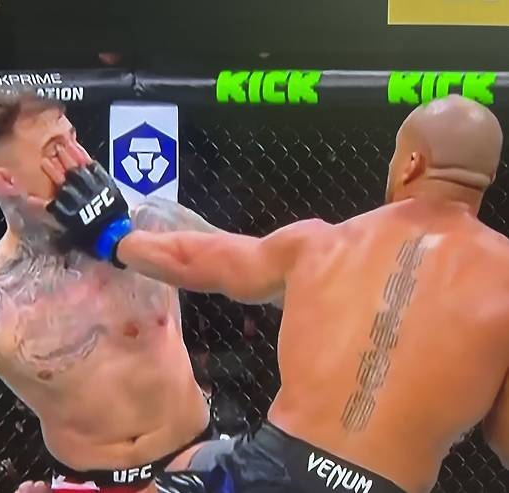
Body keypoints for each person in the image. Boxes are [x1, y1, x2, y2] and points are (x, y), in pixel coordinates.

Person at [43, 94, 509, 493]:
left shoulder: (323, 242)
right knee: (199, 456)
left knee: (191, 465)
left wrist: (112, 237)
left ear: (412, 163)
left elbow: (197, 260)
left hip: (273, 467)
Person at [0, 91, 226, 493]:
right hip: (87, 484)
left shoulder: (150, 227)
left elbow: (263, 272)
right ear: (7, 181)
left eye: (74, 138)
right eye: (56, 150)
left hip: (195, 462)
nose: (82, 160)